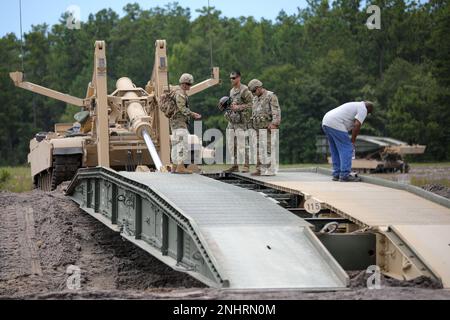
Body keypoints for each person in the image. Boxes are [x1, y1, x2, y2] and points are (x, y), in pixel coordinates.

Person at [322, 101, 374, 182]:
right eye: (368, 113)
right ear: (368, 110)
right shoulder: (363, 109)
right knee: (347, 148)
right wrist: (352, 141)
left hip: (326, 121)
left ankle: (337, 174)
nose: (366, 115)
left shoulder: (355, 105)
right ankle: (344, 175)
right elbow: (357, 125)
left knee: (335, 149)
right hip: (336, 122)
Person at [248, 79, 281, 176]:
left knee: (268, 148)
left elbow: (276, 110)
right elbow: (254, 112)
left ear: (259, 88)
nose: (253, 93)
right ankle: (259, 169)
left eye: (254, 91)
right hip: (257, 127)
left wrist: (275, 123)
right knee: (258, 148)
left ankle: (271, 169)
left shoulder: (270, 96)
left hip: (268, 127)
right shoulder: (255, 98)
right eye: (252, 92)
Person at [170, 73, 202, 174]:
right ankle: (180, 166)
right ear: (184, 84)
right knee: (183, 144)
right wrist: (193, 114)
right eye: (189, 84)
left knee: (175, 144)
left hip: (174, 124)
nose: (189, 86)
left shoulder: (175, 92)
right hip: (180, 124)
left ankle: (174, 167)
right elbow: (182, 108)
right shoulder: (180, 94)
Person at [223, 70, 254, 173]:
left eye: (234, 78)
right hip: (232, 121)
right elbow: (232, 104)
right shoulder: (232, 91)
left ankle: (246, 165)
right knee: (231, 144)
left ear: (239, 78)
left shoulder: (245, 90)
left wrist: (239, 107)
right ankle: (234, 165)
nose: (232, 80)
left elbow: (252, 104)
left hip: (241, 121)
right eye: (231, 78)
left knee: (242, 144)